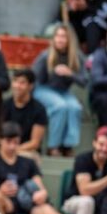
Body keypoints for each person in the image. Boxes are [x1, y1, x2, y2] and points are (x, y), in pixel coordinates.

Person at [32, 24, 86, 157]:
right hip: (43, 89)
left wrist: (70, 74)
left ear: (70, 40)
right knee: (59, 106)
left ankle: (68, 145)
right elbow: (33, 78)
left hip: (63, 92)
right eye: (57, 36)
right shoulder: (46, 55)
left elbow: (84, 81)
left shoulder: (76, 56)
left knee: (74, 107)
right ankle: (53, 146)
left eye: (64, 37)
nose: (60, 40)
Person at [2, 69, 47, 160]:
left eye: (22, 83)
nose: (17, 86)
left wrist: (14, 150)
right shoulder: (5, 105)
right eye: (15, 81)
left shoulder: (39, 109)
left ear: (30, 86)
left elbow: (35, 143)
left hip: (28, 151)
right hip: (6, 148)